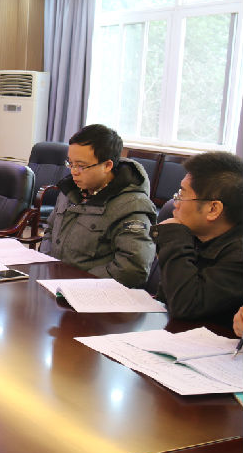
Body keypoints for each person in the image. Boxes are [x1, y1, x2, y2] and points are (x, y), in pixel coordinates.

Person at [40, 124, 156, 288]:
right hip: (56, 284)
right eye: (70, 163)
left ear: (107, 165)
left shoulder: (132, 206)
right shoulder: (71, 189)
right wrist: (47, 264)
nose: (73, 171)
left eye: (81, 166)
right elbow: (50, 230)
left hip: (93, 294)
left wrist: (77, 282)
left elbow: (132, 269)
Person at [152, 151, 243, 324]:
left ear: (213, 209)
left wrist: (174, 237)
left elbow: (184, 305)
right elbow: (166, 298)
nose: (175, 203)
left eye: (182, 195)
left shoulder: (238, 256)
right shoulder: (197, 235)